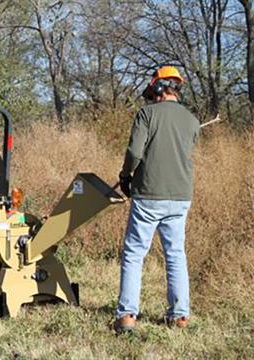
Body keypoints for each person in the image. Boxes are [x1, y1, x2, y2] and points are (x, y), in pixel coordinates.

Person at [114, 66, 200, 333]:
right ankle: (180, 317)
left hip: (149, 194)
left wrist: (125, 175)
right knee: (175, 255)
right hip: (180, 196)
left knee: (134, 254)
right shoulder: (192, 120)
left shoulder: (146, 114)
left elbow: (134, 151)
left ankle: (127, 316)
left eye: (152, 89)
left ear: (159, 88)